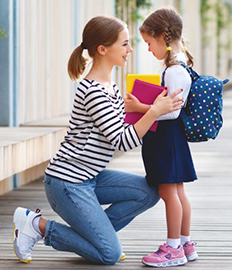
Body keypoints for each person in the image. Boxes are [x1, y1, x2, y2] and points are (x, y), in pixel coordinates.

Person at [12, 15, 183, 265]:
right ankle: (38, 226)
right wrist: (155, 111)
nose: (130, 49)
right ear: (103, 49)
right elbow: (122, 141)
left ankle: (96, 237)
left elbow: (118, 124)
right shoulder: (93, 91)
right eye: (124, 44)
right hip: (67, 183)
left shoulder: (109, 86)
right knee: (108, 254)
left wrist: (144, 107)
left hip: (90, 177)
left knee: (149, 192)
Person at [124, 7, 198, 268]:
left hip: (166, 140)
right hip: (172, 141)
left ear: (163, 37)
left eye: (148, 42)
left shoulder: (174, 70)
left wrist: (139, 108)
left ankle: (173, 247)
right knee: (178, 192)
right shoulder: (180, 66)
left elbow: (170, 113)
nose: (147, 49)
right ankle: (185, 242)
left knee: (169, 193)